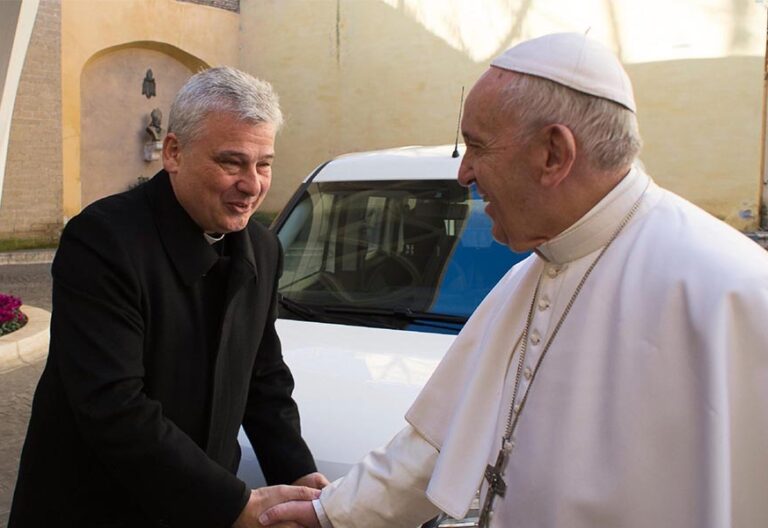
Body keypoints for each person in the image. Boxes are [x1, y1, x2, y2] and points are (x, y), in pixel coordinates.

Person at [258, 32, 768, 528]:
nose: (465, 173)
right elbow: (437, 441)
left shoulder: (733, 292)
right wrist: (332, 513)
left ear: (553, 154)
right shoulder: (531, 274)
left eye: (477, 147)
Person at [10, 66, 328, 528]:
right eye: (232, 162)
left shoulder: (263, 248)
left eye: (264, 164)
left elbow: (264, 379)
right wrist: (233, 505)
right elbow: (113, 405)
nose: (253, 184)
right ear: (174, 152)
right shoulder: (102, 241)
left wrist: (299, 473)